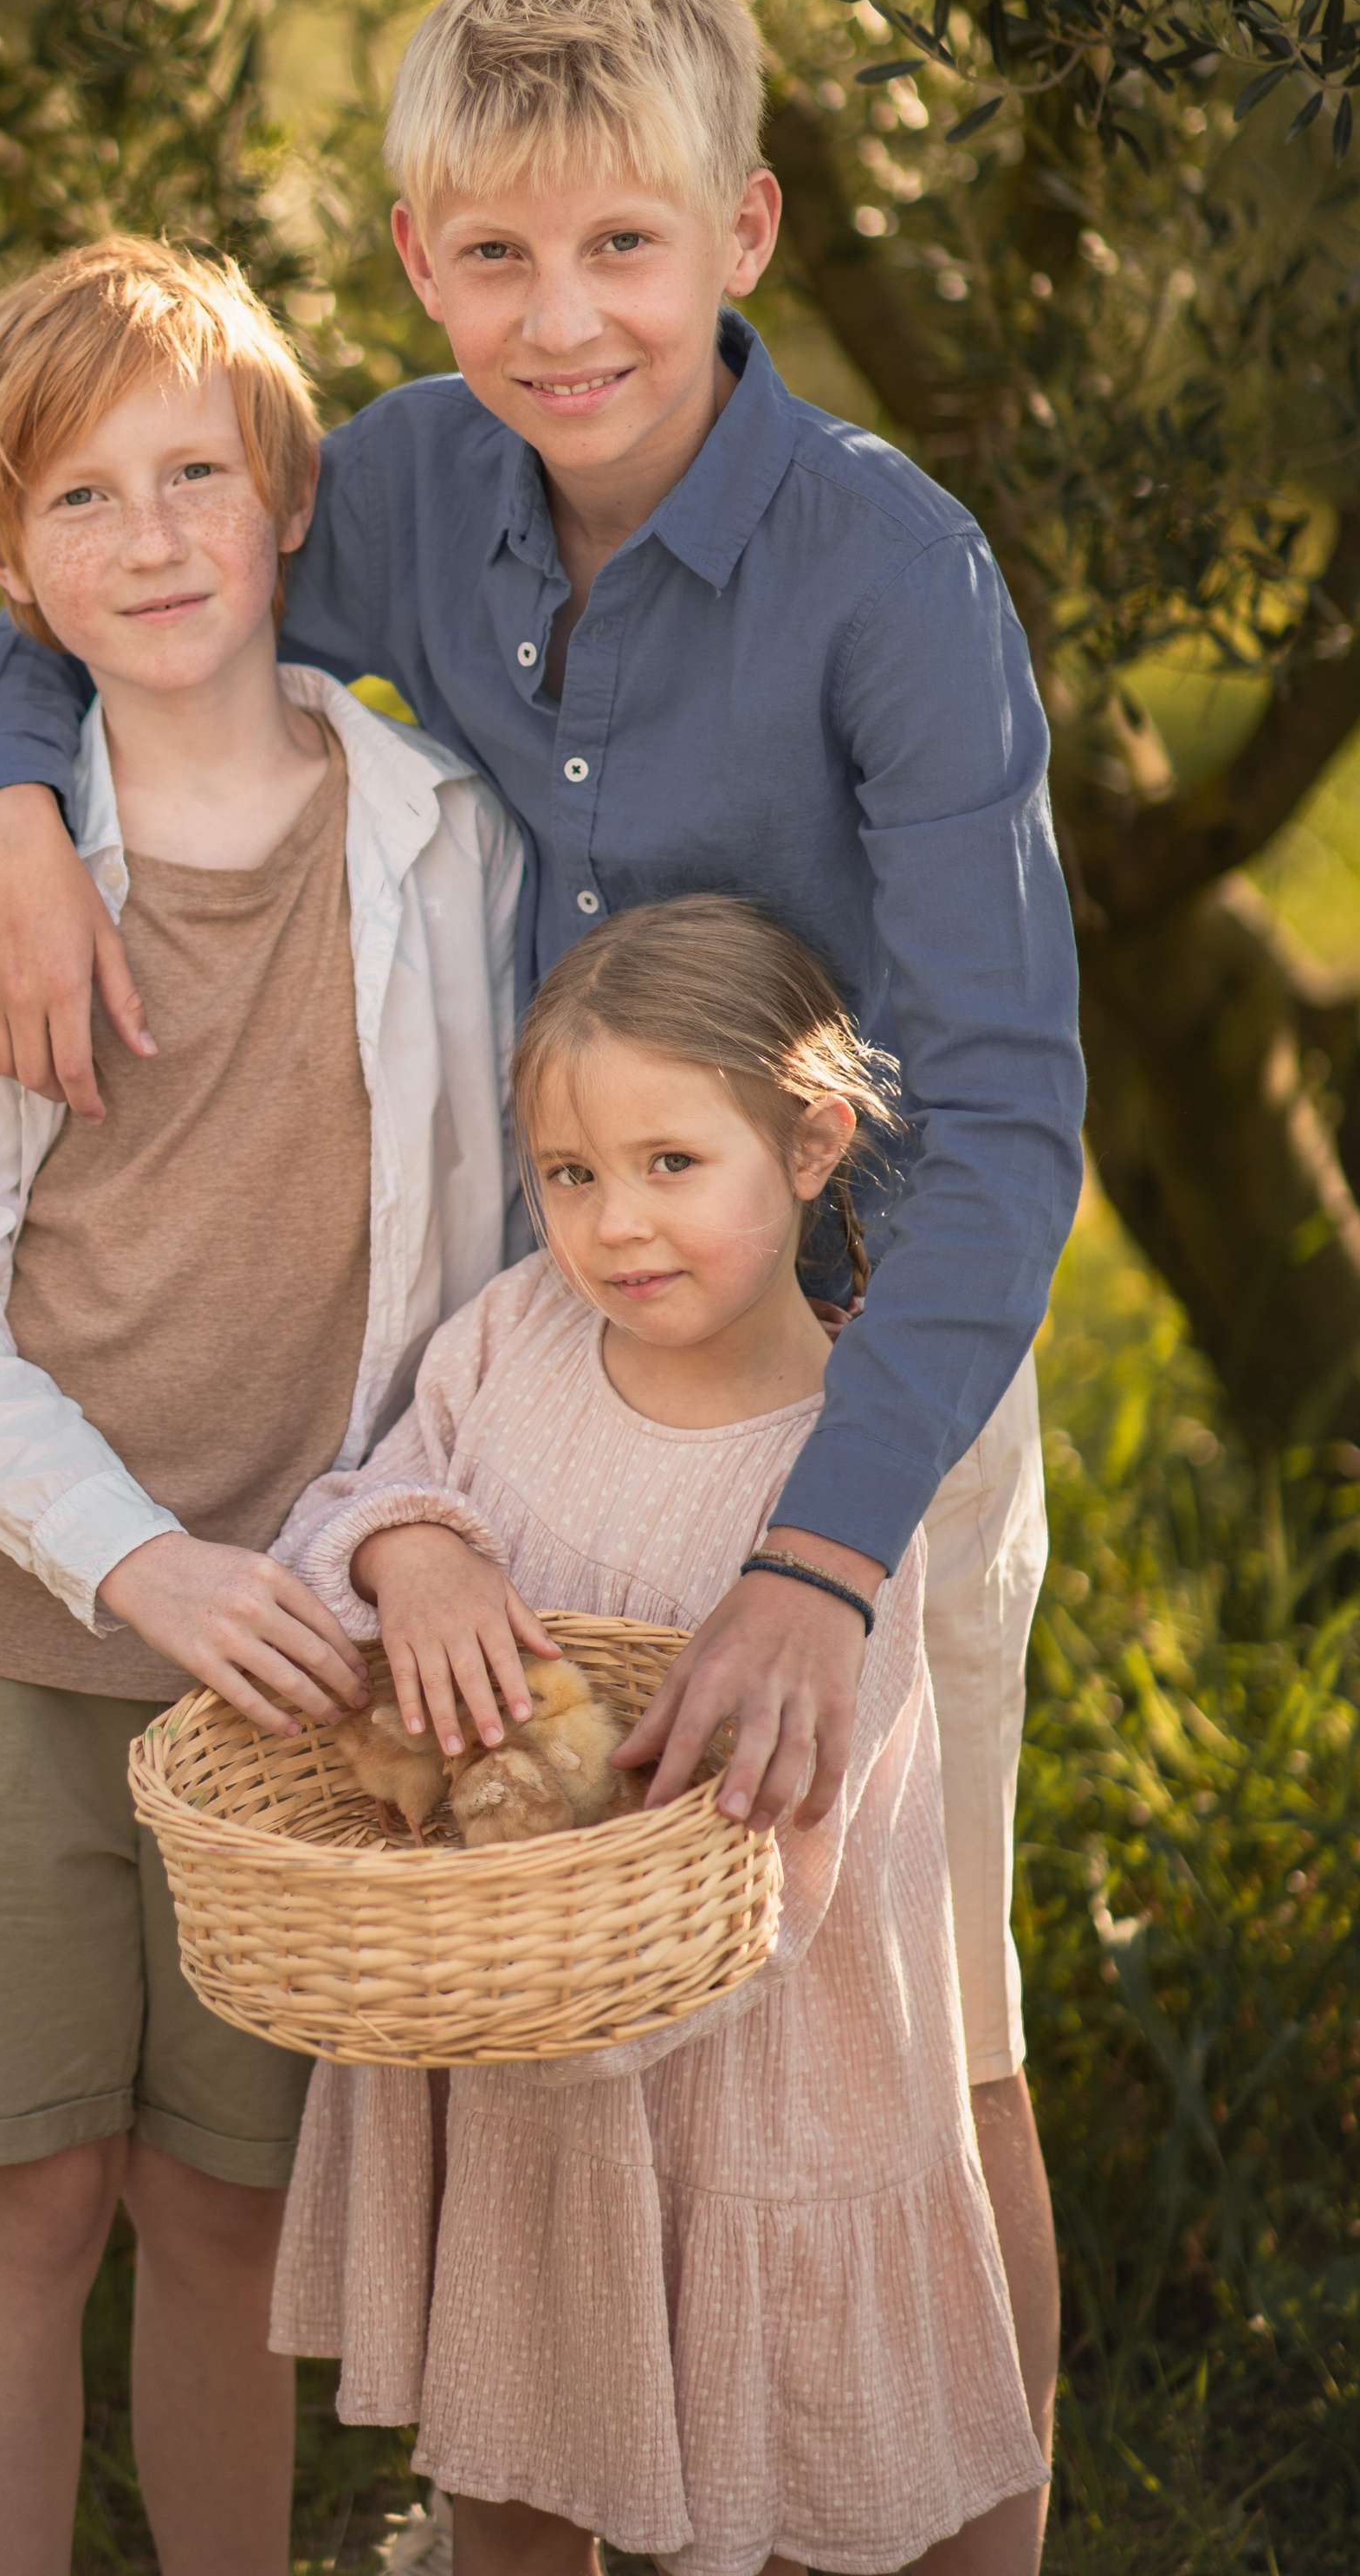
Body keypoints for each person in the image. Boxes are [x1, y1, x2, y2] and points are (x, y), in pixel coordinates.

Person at [0, 0, 1082, 2494]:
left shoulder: (889, 575)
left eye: (624, 250)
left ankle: (954, 2523)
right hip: (546, 1402)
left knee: (923, 2030)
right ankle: (575, 2513)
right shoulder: (419, 479)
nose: (564, 322)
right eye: (496, 257)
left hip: (860, 1400)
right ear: (421, 260)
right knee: (551, 2041)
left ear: (743, 236)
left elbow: (1004, 1115)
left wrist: (824, 1562)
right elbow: (112, 581)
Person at [0, 237, 523, 2576]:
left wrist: (382, 1536)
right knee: (26, 2200)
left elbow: (484, 1268)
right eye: (78, 501)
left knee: (230, 2218)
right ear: (5, 568)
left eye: (193, 472)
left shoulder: (438, 840)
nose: (151, 536)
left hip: (296, 1652)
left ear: (286, 493)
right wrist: (140, 1565)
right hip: (15, 1631)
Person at [269, 896, 1052, 2576]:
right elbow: (361, 1493)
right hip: (515, 2076)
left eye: (669, 1164)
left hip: (734, 2076)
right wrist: (413, 1550)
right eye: (568, 1173)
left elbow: (800, 1845)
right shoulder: (510, 1342)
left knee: (759, 2489)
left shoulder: (845, 1479)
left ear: (811, 1143)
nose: (612, 1224)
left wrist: (572, 1997)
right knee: (510, 2479)